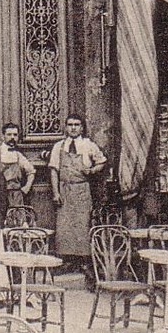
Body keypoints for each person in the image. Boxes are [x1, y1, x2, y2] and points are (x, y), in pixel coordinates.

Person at [49, 116, 107, 274]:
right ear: (65, 127)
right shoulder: (59, 146)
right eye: (70, 125)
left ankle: (84, 262)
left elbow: (102, 162)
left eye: (77, 125)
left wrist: (93, 170)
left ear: (82, 128)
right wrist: (56, 193)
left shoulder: (88, 145)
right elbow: (54, 170)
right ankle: (67, 261)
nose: (73, 128)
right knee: (64, 227)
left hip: (82, 190)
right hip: (65, 190)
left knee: (82, 225)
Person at [0, 123, 39, 216]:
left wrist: (27, 187)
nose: (12, 137)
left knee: (18, 224)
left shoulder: (18, 155)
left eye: (15, 135)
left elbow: (31, 172)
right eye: (9, 134)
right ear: (3, 136)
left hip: (16, 197)